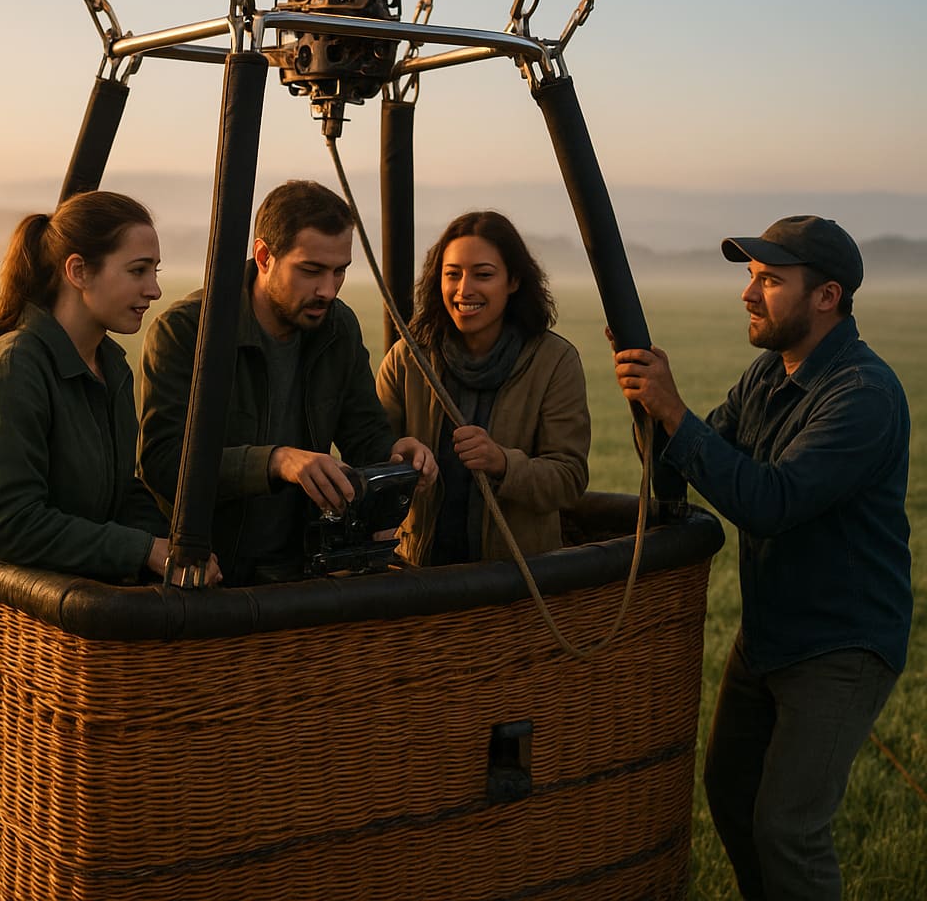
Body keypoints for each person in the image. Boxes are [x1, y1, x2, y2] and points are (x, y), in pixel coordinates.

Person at [612, 215, 912, 900]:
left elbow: (770, 500)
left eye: (770, 280)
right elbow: (688, 463)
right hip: (772, 634)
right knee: (730, 791)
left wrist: (677, 416)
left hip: (840, 644)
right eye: (751, 277)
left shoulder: (863, 396)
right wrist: (650, 407)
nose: (749, 293)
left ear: (826, 297)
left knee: (788, 829)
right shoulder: (767, 376)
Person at [138, 179, 436, 586]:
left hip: (298, 572)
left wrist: (396, 453)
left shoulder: (338, 328)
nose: (328, 290)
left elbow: (364, 433)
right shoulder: (187, 331)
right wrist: (276, 461)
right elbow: (162, 464)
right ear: (264, 257)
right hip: (205, 573)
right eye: (311, 270)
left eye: (339, 272)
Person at [0, 190, 220, 588]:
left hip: (80, 598)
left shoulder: (110, 365)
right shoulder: (15, 367)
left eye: (155, 271)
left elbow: (120, 492)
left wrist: (176, 547)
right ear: (79, 272)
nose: (154, 290)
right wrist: (144, 551)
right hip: (14, 610)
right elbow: (9, 525)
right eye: (138, 271)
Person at [376, 210, 590, 566]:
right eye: (452, 275)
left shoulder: (554, 361)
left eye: (483, 275)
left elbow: (568, 478)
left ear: (514, 281)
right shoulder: (408, 358)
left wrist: (503, 463)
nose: (464, 290)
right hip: (419, 575)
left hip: (516, 580)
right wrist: (399, 457)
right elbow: (371, 449)